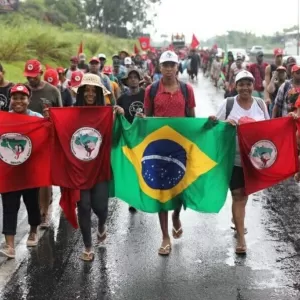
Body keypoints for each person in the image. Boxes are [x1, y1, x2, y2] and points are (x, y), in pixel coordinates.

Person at [210, 70, 269, 254]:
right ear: (235, 86)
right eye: (241, 84)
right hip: (232, 160)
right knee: (238, 196)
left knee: (244, 196)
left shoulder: (260, 104)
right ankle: (241, 239)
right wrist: (218, 122)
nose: (245, 87)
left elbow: (268, 128)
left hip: (253, 160)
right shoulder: (228, 104)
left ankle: (237, 219)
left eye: (248, 84)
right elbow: (213, 128)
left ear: (253, 86)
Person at [143, 51, 196, 256]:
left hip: (180, 148)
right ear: (159, 67)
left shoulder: (186, 89)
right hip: (158, 147)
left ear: (177, 67)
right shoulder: (151, 89)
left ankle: (176, 215)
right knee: (162, 191)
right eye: (164, 65)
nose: (168, 69)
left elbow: (191, 119)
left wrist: (206, 126)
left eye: (171, 65)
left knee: (180, 188)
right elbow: (147, 120)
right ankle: (165, 236)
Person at [73, 73, 123, 261]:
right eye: (87, 90)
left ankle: (102, 225)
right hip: (79, 169)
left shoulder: (107, 112)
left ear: (100, 93)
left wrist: (119, 117)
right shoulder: (72, 112)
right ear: (81, 92)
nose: (90, 94)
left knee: (100, 207)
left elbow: (116, 139)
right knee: (83, 206)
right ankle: (87, 246)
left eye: (94, 90)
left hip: (101, 168)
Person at [0, 84, 43, 259]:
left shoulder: (37, 118)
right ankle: (10, 245)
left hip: (30, 172)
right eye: (15, 97)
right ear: (10, 99)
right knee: (10, 207)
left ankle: (33, 231)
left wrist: (49, 120)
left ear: (29, 100)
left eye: (22, 98)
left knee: (32, 205)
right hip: (9, 172)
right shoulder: (3, 118)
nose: (18, 101)